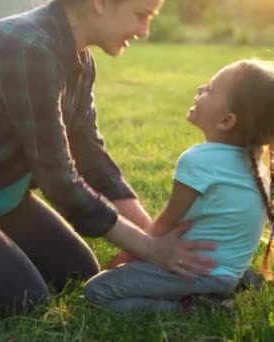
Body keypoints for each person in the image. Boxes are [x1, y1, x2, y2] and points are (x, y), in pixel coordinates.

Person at [0, 0, 217, 315]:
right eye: (141, 15)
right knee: (22, 300)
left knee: (75, 273)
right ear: (100, 2)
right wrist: (152, 251)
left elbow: (90, 154)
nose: (144, 30)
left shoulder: (79, 60)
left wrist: (150, 236)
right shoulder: (26, 46)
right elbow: (60, 179)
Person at [83, 60, 274, 313]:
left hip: (191, 269)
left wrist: (135, 251)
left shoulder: (199, 161)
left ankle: (192, 307)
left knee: (97, 292)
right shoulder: (258, 169)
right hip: (228, 274)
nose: (199, 89)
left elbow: (165, 225)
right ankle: (229, 287)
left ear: (227, 121)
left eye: (210, 89)